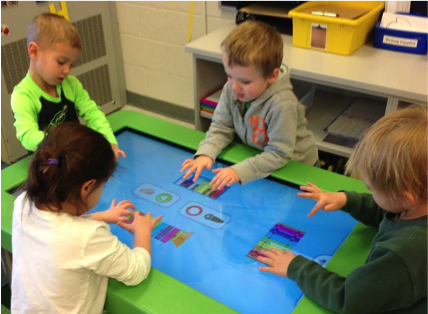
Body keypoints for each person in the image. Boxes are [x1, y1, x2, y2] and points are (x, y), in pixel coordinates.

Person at [257, 105, 428, 314]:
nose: (366, 189)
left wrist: (296, 267)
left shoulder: (403, 253)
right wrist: (347, 199)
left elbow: (349, 299)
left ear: (406, 195)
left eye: (371, 188)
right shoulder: (416, 205)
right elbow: (389, 210)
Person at [11, 123, 162, 314]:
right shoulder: (89, 236)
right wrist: (143, 230)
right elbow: (136, 271)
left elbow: (59, 229)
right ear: (87, 188)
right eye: (103, 186)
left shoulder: (23, 203)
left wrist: (100, 216)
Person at [181, 20, 318, 190]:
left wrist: (238, 172)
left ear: (272, 76)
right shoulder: (231, 89)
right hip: (260, 158)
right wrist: (206, 153)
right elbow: (221, 127)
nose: (234, 86)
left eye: (245, 81)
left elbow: (279, 154)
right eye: (230, 76)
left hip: (296, 168)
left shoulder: (282, 104)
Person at [11, 13, 125, 160]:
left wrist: (109, 141)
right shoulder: (23, 95)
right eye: (61, 61)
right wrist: (66, 144)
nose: (67, 70)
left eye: (71, 64)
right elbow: (27, 136)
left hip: (73, 158)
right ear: (34, 51)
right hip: (48, 164)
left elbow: (93, 113)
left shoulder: (71, 84)